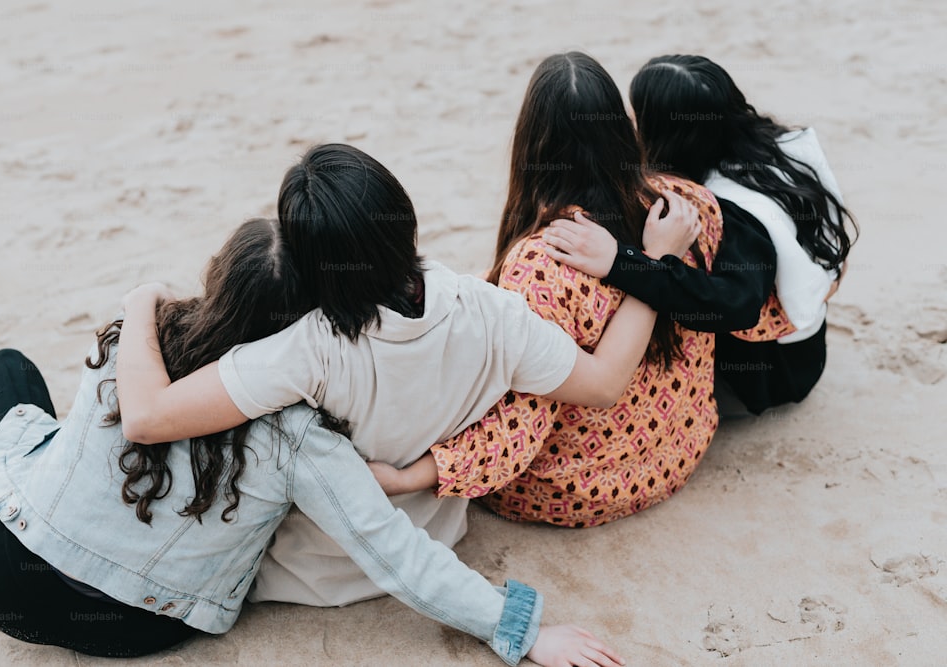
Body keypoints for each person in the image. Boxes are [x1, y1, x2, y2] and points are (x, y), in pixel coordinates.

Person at [0, 218, 623, 666]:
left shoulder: (135, 342)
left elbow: (125, 417)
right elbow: (396, 551)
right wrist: (526, 632)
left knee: (9, 369)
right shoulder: (300, 435)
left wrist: (139, 301)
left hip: (2, 571)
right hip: (137, 628)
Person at [112, 143, 693, 610]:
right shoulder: (493, 313)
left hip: (304, 578)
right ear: (403, 218)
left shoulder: (307, 350)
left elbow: (145, 418)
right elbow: (603, 383)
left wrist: (141, 299)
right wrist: (657, 265)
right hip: (437, 544)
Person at [368, 52, 722, 529]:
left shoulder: (541, 269)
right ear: (621, 128)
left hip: (580, 488)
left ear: (530, 145)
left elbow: (520, 422)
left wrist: (412, 476)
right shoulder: (683, 208)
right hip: (681, 444)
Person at [542, 54, 857, 414]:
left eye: (638, 114)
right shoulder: (785, 144)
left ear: (668, 133)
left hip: (771, 376)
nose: (631, 122)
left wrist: (622, 263)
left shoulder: (732, 210)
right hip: (809, 343)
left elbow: (737, 306)